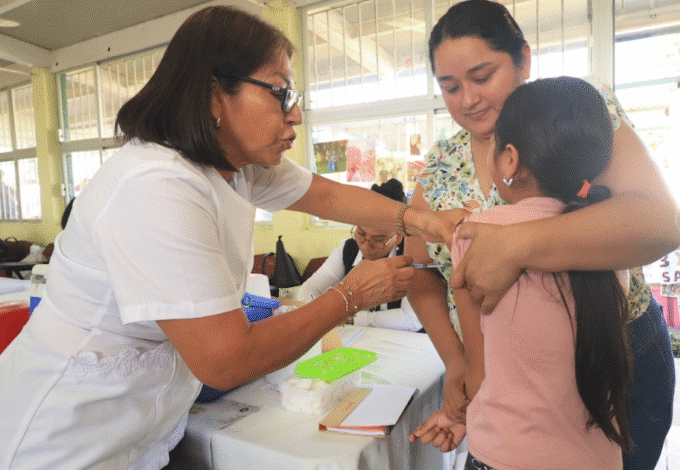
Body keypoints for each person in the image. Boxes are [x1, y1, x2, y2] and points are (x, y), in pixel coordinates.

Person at [0, 6, 467, 469]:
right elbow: (226, 361)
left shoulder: (232, 167)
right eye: (281, 93)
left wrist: (426, 222)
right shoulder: (156, 186)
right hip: (61, 438)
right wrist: (352, 294)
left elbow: (325, 197)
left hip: (140, 429)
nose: (297, 115)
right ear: (213, 96)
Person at [406, 1, 680, 468]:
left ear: (524, 60)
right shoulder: (440, 166)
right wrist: (460, 362)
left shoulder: (576, 113)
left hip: (613, 358)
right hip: (509, 379)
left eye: (482, 75)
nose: (467, 99)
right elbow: (420, 272)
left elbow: (660, 224)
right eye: (449, 87)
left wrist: (515, 245)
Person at [413, 77, 634, 469]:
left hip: (507, 456)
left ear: (509, 160)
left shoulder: (474, 236)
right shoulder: (613, 239)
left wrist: (459, 417)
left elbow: (478, 374)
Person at [297, 179, 423, 332]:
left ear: (399, 237)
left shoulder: (412, 256)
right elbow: (308, 290)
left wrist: (349, 318)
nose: (365, 245)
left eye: (378, 239)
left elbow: (412, 319)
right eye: (361, 234)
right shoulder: (348, 249)